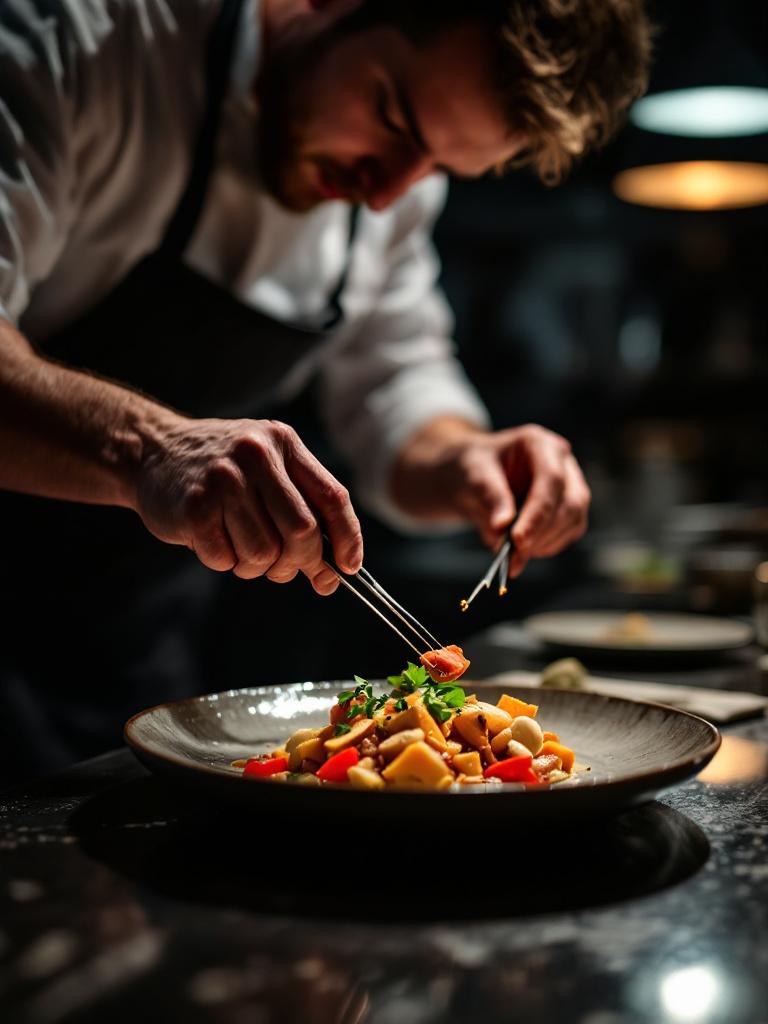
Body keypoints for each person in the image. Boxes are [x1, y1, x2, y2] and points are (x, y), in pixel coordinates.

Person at [0, 0, 651, 781]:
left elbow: (394, 386)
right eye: (392, 115)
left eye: (440, 167)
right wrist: (152, 449)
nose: (387, 194)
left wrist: (468, 458)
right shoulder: (78, 46)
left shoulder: (391, 185)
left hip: (130, 646)